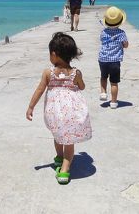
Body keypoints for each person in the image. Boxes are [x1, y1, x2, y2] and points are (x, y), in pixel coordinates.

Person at [26, 32, 91, 184]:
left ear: (54, 55)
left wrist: (31, 107)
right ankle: (63, 161)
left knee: (58, 136)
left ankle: (64, 166)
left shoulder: (48, 72)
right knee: (68, 140)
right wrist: (77, 80)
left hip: (54, 112)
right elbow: (82, 87)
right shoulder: (76, 73)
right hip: (73, 112)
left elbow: (40, 90)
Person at [98, 6, 129, 109]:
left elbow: (101, 40)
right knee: (114, 83)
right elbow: (125, 45)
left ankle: (103, 93)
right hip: (115, 61)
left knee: (103, 77)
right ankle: (114, 102)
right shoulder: (121, 33)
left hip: (103, 59)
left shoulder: (103, 32)